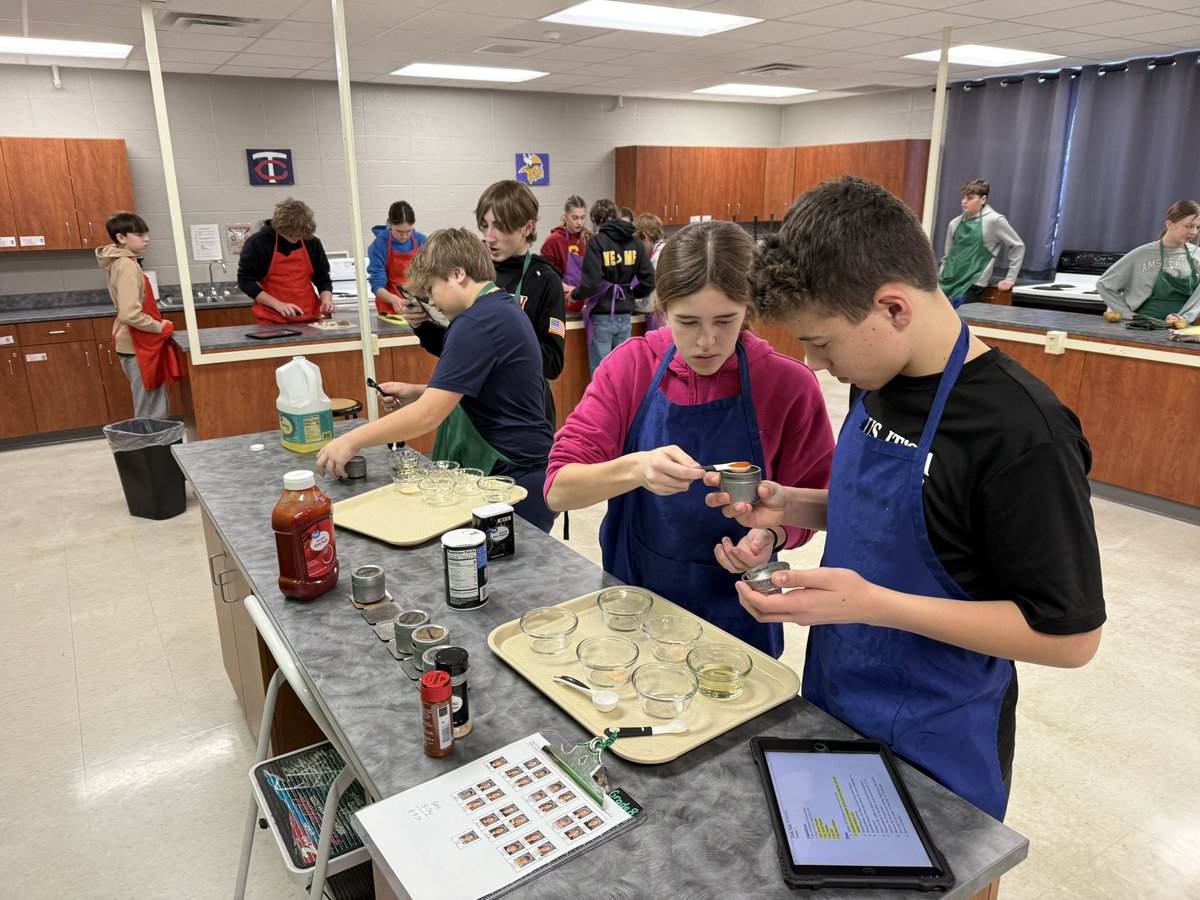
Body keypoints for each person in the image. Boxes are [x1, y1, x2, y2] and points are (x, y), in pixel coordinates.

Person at [710, 176, 1104, 822]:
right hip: (838, 694)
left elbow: (1069, 636)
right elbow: (894, 512)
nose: (811, 364)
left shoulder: (1021, 432)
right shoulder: (880, 378)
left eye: (822, 342)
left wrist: (872, 604)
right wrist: (793, 507)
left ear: (894, 309)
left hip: (937, 733)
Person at [545, 221, 834, 656]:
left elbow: (817, 500)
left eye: (725, 320)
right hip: (637, 602)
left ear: (749, 307)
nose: (706, 341)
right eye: (687, 321)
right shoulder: (632, 368)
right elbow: (558, 489)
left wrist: (771, 536)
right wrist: (636, 467)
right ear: (662, 308)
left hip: (737, 613)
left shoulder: (788, 384)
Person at [316, 228, 557, 533]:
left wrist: (352, 440)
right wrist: (417, 392)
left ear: (457, 274)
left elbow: (429, 415)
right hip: (528, 470)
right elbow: (490, 389)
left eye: (431, 289)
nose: (431, 301)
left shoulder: (474, 323)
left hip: (512, 478)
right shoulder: (501, 308)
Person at [405, 181, 565, 423]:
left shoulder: (544, 279)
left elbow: (552, 363)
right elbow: (460, 350)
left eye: (500, 227)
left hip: (523, 414)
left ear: (528, 227)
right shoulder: (474, 270)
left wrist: (507, 343)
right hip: (477, 411)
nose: (489, 237)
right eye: (484, 225)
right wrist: (423, 326)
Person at [96, 211, 179, 418]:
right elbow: (130, 314)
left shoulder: (124, 262)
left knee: (152, 405)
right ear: (121, 238)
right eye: (140, 235)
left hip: (137, 342)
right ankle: (152, 448)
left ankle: (157, 446)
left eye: (146, 234)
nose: (146, 239)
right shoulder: (126, 266)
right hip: (137, 345)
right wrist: (160, 327)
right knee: (151, 411)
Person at [575, 199, 655, 373]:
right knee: (623, 371)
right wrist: (632, 295)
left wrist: (574, 294)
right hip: (625, 316)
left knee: (601, 373)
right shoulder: (635, 243)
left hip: (601, 315)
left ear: (595, 221)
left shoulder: (597, 243)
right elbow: (649, 279)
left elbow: (591, 283)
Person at [1096, 200, 1200, 325]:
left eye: (1197, 227)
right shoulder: (1142, 254)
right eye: (1188, 226)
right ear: (1170, 224)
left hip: (1181, 327)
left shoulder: (1197, 254)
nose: (1194, 232)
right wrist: (1127, 314)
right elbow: (1104, 284)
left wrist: (1184, 317)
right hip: (1143, 326)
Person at [237, 198, 334, 324]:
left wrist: (326, 299)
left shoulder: (312, 242)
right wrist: (278, 305)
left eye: (300, 235)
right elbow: (245, 281)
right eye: (291, 235)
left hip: (310, 316)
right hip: (272, 318)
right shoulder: (259, 243)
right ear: (279, 227)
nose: (297, 238)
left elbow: (322, 278)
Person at [938, 179, 1025, 305]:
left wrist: (1010, 278)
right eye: (963, 197)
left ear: (983, 199)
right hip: (947, 284)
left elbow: (1017, 246)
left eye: (970, 198)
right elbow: (948, 257)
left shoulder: (994, 221)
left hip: (972, 285)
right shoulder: (954, 223)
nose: (964, 202)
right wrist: (940, 276)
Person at [366, 200, 426, 315]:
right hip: (391, 307)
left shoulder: (422, 241)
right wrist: (393, 299)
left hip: (419, 304)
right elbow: (377, 284)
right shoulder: (379, 245)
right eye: (399, 231)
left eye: (409, 231)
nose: (404, 236)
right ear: (390, 224)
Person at [540, 195, 591, 307]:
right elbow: (544, 274)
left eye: (582, 218)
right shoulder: (554, 240)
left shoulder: (588, 238)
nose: (579, 223)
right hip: (563, 303)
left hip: (586, 304)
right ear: (566, 216)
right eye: (575, 218)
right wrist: (566, 287)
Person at [632, 213, 666, 327]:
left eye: (638, 242)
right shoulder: (663, 251)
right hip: (662, 312)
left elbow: (650, 302)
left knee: (656, 344)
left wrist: (632, 303)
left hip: (658, 315)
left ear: (645, 236)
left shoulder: (659, 257)